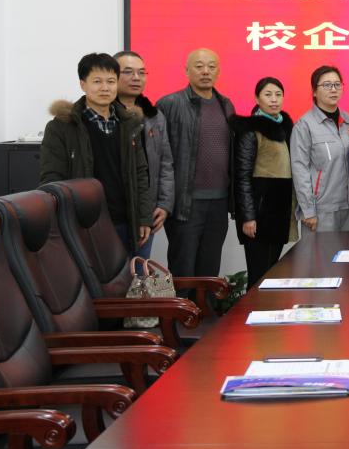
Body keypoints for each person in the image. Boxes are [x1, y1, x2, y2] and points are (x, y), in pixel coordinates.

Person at [39, 53, 153, 253]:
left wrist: (144, 217)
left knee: (132, 272)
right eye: (97, 81)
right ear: (83, 84)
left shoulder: (129, 124)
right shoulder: (62, 127)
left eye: (111, 81)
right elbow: (52, 179)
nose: (105, 88)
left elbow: (140, 174)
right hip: (84, 224)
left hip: (126, 221)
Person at [156, 48, 236, 282]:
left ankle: (206, 307)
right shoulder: (169, 104)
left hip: (219, 202)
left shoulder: (226, 104)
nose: (205, 71)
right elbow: (158, 155)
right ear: (187, 70)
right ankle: (182, 307)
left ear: (218, 71)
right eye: (199, 66)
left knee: (210, 269)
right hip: (185, 203)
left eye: (211, 66)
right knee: (183, 269)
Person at [232, 77, 297, 289]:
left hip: (280, 210)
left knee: (272, 273)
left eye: (278, 94)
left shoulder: (286, 128)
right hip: (259, 213)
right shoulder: (250, 130)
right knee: (258, 275)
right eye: (268, 95)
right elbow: (242, 176)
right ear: (257, 98)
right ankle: (252, 310)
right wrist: (248, 216)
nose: (274, 99)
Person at [114, 50, 174, 259]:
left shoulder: (154, 116)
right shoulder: (103, 116)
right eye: (128, 72)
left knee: (139, 270)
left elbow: (165, 163)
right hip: (111, 212)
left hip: (145, 210)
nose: (136, 77)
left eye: (141, 72)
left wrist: (164, 204)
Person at [291, 66, 349, 237]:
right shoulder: (305, 125)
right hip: (320, 210)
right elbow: (300, 169)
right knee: (319, 254)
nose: (333, 89)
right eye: (327, 85)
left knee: (347, 253)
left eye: (337, 84)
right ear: (314, 91)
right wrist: (308, 210)